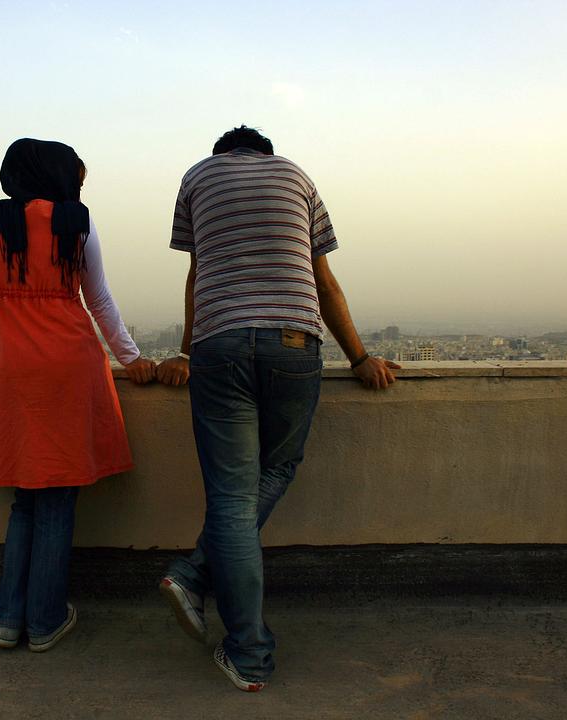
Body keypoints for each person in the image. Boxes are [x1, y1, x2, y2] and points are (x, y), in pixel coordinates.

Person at [155, 126, 400, 691]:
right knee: (279, 466)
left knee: (230, 498)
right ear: (264, 152)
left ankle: (236, 633)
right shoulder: (296, 177)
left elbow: (198, 274)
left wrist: (187, 351)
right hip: (292, 342)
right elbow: (323, 280)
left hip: (219, 344)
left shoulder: (197, 177)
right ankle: (203, 591)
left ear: (223, 154)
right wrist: (360, 358)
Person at [0, 138, 156, 653]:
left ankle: (8, 620)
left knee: (25, 499)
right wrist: (131, 359)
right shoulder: (76, 221)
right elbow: (98, 298)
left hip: (10, 367)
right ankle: (44, 621)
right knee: (58, 495)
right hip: (66, 364)